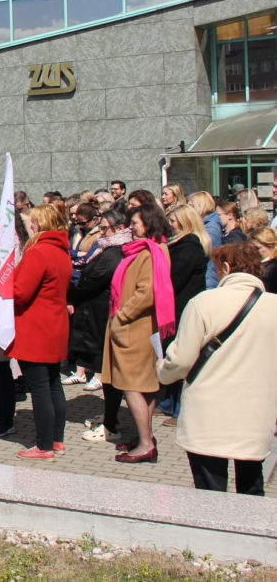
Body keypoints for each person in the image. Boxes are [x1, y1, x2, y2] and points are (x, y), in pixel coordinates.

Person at [157, 243, 277, 495]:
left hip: (208, 412)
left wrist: (162, 370)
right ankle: (251, 534)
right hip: (256, 411)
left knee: (209, 492)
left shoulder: (204, 303)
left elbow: (181, 360)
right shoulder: (273, 306)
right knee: (251, 486)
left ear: (226, 267)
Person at [102, 203, 175, 464]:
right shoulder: (143, 250)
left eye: (135, 223)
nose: (130, 227)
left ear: (149, 222)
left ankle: (145, 443)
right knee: (140, 386)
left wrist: (123, 316)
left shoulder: (152, 252)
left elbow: (146, 292)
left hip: (135, 328)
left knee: (132, 386)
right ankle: (146, 437)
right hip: (132, 327)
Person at [9, 204, 72, 460]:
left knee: (40, 387)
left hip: (36, 326)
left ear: (41, 224)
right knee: (53, 383)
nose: (30, 225)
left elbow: (20, 292)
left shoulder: (39, 252)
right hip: (54, 324)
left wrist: (6, 281)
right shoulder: (61, 251)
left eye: (33, 221)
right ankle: (56, 439)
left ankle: (44, 445)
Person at [75, 208, 132, 444]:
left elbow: (95, 277)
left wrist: (75, 289)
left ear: (120, 228)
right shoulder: (107, 247)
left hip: (103, 313)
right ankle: (111, 415)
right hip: (97, 312)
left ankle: (112, 424)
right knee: (105, 369)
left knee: (108, 371)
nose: (102, 233)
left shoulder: (116, 251)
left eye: (106, 229)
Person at [159, 204, 210, 422]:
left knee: (182, 355)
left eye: (173, 220)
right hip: (177, 305)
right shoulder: (180, 244)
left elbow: (175, 278)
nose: (170, 224)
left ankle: (179, 407)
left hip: (183, 307)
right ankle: (169, 402)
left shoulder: (189, 247)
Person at [248, 226, 277, 292]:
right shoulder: (258, 265)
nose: (254, 252)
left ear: (271, 245)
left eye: (258, 248)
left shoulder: (273, 268)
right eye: (251, 249)